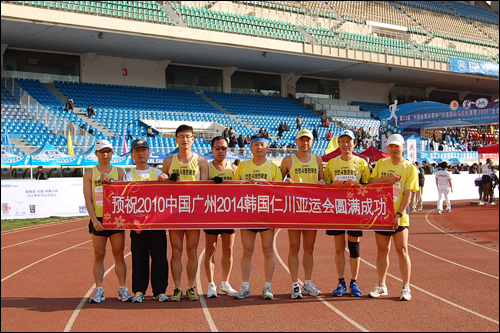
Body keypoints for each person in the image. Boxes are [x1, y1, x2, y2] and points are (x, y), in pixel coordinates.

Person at [368, 134, 418, 301]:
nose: (394, 149)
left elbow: (408, 194)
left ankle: (406, 287)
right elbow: (371, 182)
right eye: (391, 146)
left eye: (397, 146)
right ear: (387, 148)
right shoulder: (382, 164)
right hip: (381, 215)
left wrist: (399, 214)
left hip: (399, 217)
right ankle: (381, 285)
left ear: (403, 147)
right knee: (382, 251)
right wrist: (385, 179)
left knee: (402, 251)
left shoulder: (409, 168)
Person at [162, 125, 209, 301]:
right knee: (176, 251)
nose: (185, 140)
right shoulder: (168, 161)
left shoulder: (201, 161)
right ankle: (176, 287)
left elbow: (205, 190)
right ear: (176, 139)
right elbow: (161, 187)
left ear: (193, 139)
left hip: (193, 214)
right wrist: (164, 178)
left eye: (188, 136)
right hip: (174, 214)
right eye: (181, 136)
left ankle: (190, 286)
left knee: (192, 249)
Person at [233, 133, 282, 300]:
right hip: (248, 215)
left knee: (268, 250)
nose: (259, 147)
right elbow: (233, 190)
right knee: (247, 251)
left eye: (262, 144)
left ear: (268, 147)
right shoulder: (243, 167)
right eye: (256, 144)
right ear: (250, 147)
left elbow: (280, 193)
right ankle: (245, 286)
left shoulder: (274, 168)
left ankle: (267, 287)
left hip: (267, 216)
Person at [82, 140, 132, 303]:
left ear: (112, 153)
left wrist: (110, 180)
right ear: (96, 153)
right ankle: (99, 289)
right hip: (99, 219)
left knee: (119, 254)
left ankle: (122, 288)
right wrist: (94, 220)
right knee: (99, 255)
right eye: (102, 151)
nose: (105, 154)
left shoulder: (119, 171)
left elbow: (124, 194)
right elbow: (88, 199)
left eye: (108, 151)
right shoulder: (90, 173)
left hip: (116, 218)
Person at [324, 130, 371, 298]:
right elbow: (325, 187)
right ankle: (341, 282)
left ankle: (354, 282)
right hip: (337, 210)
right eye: (342, 141)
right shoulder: (331, 163)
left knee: (354, 246)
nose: (345, 144)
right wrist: (332, 185)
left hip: (355, 210)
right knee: (338, 248)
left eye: (348, 141)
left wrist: (356, 185)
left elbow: (368, 187)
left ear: (354, 144)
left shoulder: (361, 163)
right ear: (339, 144)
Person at [280, 129, 325, 299]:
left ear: (312, 142)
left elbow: (323, 182)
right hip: (294, 211)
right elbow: (277, 183)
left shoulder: (318, 160)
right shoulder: (288, 161)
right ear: (296, 141)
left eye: (308, 140)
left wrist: (322, 183)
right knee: (294, 247)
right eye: (302, 140)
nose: (305, 143)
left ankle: (307, 282)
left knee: (309, 248)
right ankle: (294, 285)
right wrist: (286, 182)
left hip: (311, 211)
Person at [125, 139, 170, 303]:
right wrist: (132, 223)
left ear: (149, 153)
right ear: (132, 155)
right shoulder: (128, 176)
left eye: (144, 150)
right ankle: (138, 290)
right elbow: (126, 202)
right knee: (138, 257)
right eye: (137, 151)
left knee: (159, 257)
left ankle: (160, 290)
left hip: (157, 224)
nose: (141, 153)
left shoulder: (159, 174)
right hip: (138, 226)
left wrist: (166, 180)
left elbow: (167, 199)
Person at [204, 136, 239, 298]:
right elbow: (199, 190)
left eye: (224, 148)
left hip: (229, 216)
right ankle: (211, 284)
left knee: (228, 250)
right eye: (217, 148)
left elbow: (241, 191)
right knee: (211, 250)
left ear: (228, 150)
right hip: (211, 215)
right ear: (212, 149)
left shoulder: (233, 168)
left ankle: (225, 283)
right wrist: (210, 185)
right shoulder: (206, 168)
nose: (220, 151)